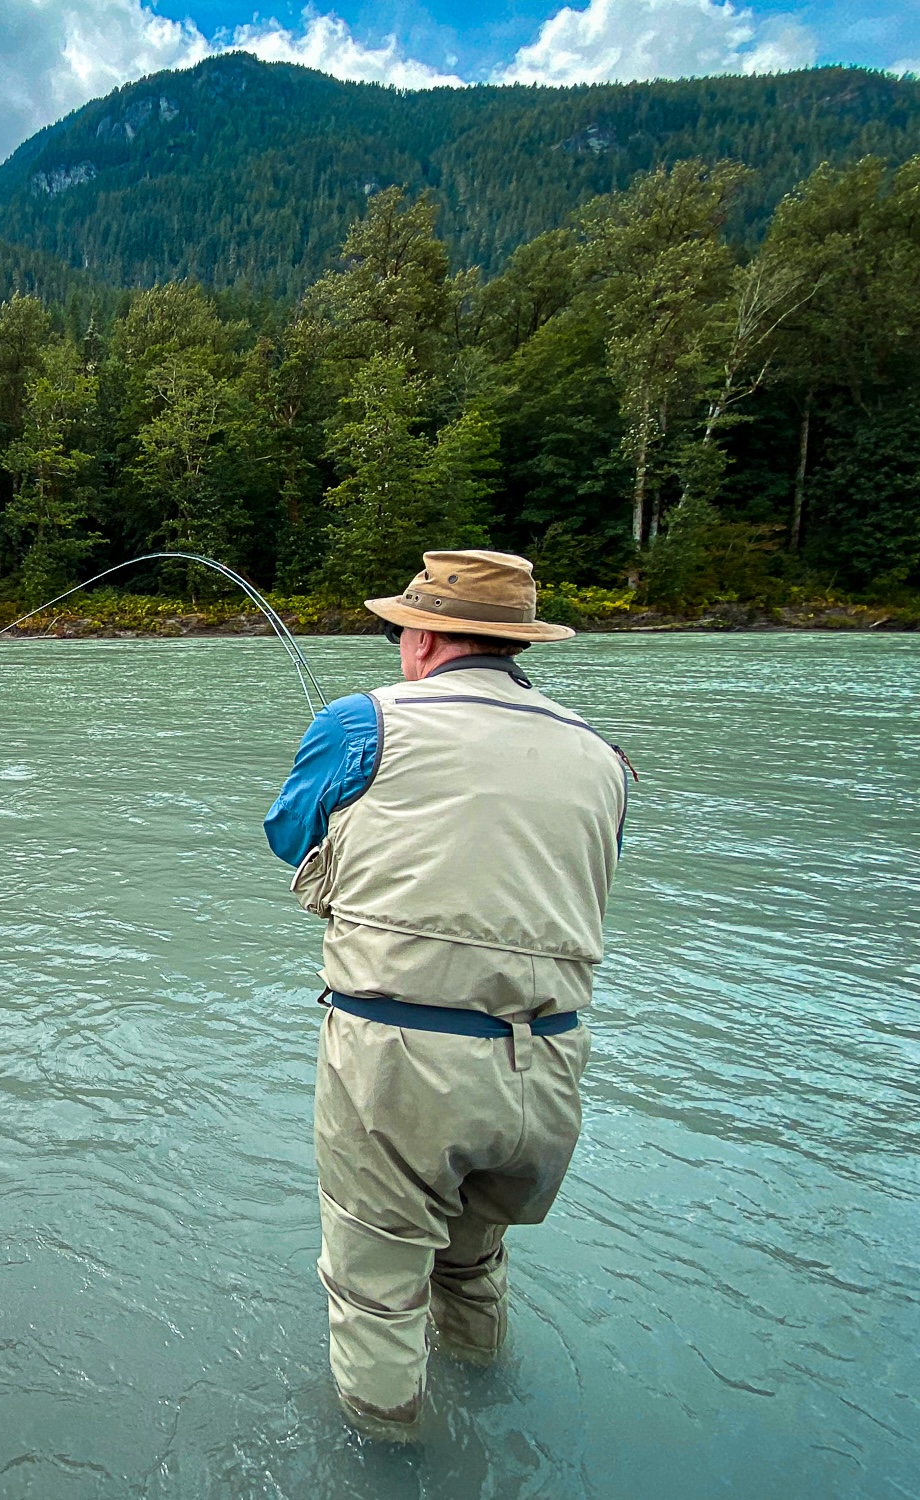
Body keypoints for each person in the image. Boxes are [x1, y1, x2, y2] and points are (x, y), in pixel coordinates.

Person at [263, 549, 630, 1442]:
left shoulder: (360, 722)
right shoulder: (603, 754)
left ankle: (388, 1457)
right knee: (471, 1265)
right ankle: (486, 1395)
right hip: (550, 1068)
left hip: (404, 1062)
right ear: (514, 645)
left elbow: (287, 836)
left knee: (376, 1293)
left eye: (399, 632)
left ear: (424, 637)